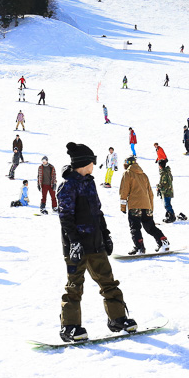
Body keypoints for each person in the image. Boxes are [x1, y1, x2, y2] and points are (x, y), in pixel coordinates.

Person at [57, 142, 135, 343]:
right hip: (77, 246)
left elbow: (97, 212)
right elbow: (65, 217)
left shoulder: (89, 182)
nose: (94, 165)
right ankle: (70, 327)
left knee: (108, 281)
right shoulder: (67, 186)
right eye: (93, 161)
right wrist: (74, 242)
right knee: (75, 286)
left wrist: (106, 235)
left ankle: (118, 319)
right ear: (85, 163)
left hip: (95, 243)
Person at [119, 156, 169, 255]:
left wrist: (123, 207)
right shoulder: (144, 175)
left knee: (135, 227)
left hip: (135, 206)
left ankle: (139, 248)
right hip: (147, 206)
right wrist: (151, 208)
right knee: (150, 227)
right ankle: (163, 242)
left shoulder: (127, 174)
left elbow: (124, 191)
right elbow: (150, 193)